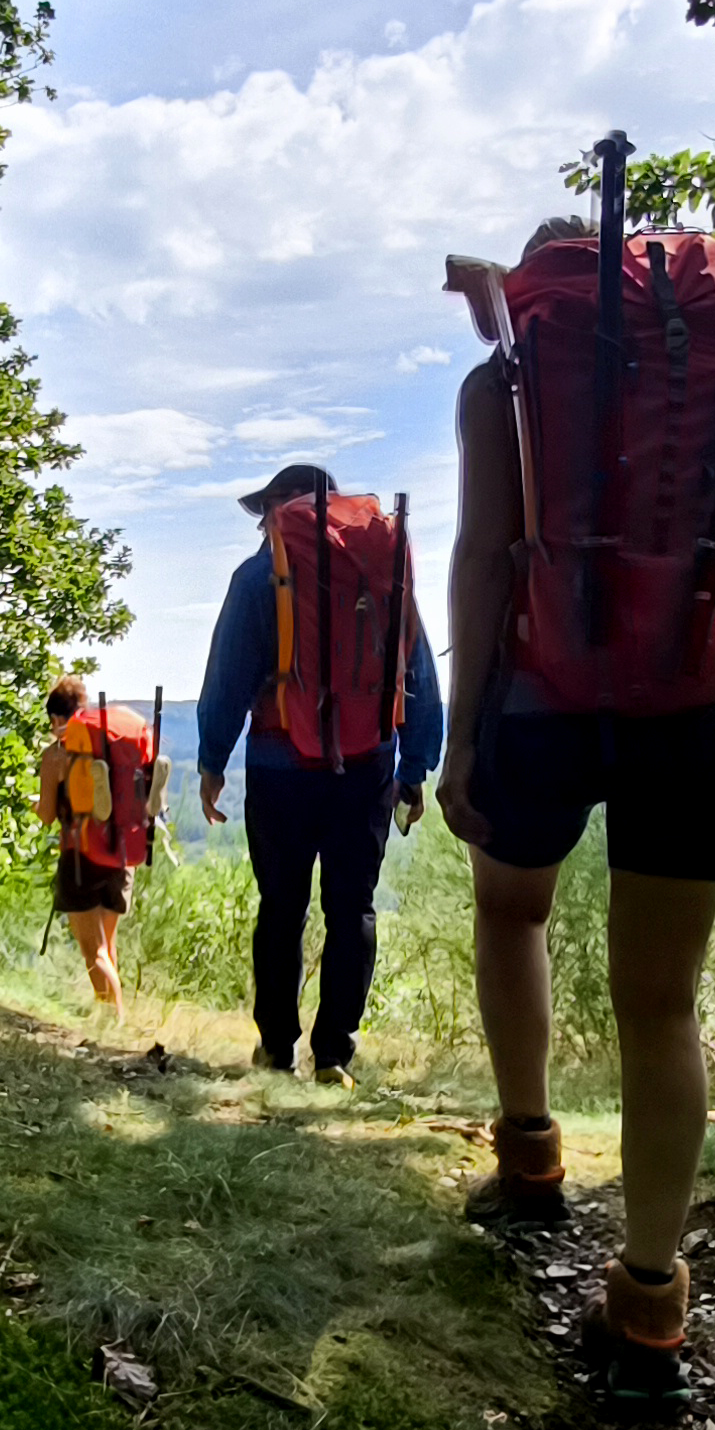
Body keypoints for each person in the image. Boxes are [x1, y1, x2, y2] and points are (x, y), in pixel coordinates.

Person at [441, 183, 715, 1399]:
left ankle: (530, 1155)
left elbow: (482, 558)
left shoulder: (505, 384)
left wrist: (460, 737)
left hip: (540, 698)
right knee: (661, 1005)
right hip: (690, 710)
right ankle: (649, 1306)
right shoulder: (714, 370)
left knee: (512, 911)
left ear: (537, 295)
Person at [194, 463, 444, 1085]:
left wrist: (211, 761)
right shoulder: (382, 569)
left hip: (279, 762)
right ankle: (334, 1055)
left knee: (282, 907)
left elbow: (227, 676)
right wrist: (415, 767)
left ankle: (277, 1048)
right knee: (352, 909)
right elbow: (416, 672)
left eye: (266, 511)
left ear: (281, 507)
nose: (263, 524)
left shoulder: (258, 576)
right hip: (368, 765)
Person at [34, 676, 162, 1014]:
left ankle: (114, 1021)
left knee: (95, 953)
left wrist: (35, 804)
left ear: (55, 719)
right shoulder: (106, 743)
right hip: (123, 852)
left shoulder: (57, 755)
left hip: (81, 858)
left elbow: (47, 815)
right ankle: (108, 1015)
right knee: (108, 949)